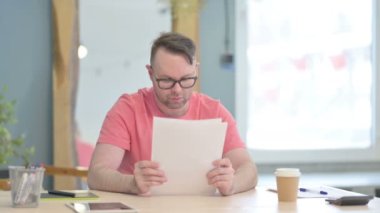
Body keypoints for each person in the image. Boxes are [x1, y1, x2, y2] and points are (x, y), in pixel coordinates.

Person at [88, 32, 258, 196]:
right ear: (150, 74)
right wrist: (132, 183)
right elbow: (96, 174)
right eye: (167, 80)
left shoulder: (214, 111)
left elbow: (248, 169)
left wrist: (233, 183)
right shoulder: (127, 109)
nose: (177, 90)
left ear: (196, 70)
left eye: (186, 79)